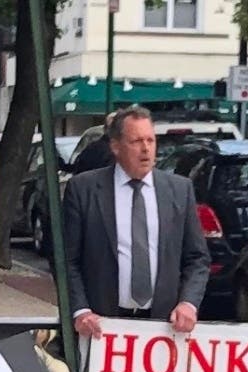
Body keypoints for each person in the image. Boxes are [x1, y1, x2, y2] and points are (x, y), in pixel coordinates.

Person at [63, 106, 209, 340]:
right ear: (116, 147)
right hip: (101, 325)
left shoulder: (179, 191)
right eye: (136, 141)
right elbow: (67, 260)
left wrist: (188, 303)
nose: (145, 149)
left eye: (150, 140)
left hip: (163, 326)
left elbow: (197, 258)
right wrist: (80, 310)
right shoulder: (85, 190)